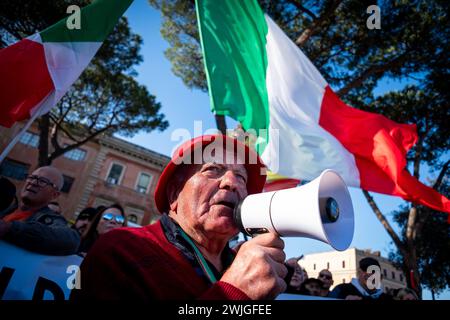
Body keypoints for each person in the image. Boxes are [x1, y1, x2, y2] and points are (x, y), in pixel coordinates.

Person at [71, 134, 287, 301]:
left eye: (241, 176)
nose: (232, 182)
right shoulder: (122, 249)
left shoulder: (248, 265)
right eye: (212, 169)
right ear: (174, 193)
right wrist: (233, 294)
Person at [0, 166, 80, 255]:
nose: (33, 182)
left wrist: (10, 228)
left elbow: (71, 241)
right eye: (31, 177)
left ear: (54, 195)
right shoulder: (5, 207)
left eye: (43, 181)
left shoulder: (49, 220)